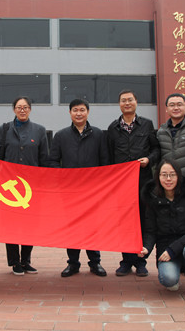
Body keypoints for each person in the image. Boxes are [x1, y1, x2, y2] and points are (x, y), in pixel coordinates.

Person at [48, 98, 109, 277]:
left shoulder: (98, 134)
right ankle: (73, 263)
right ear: (70, 113)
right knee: (72, 227)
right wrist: (65, 178)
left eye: (82, 110)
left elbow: (105, 162)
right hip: (70, 191)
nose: (79, 113)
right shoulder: (61, 136)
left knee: (92, 227)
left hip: (92, 191)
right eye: (75, 110)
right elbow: (53, 162)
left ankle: (95, 262)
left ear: (87, 112)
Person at [0, 96, 50, 275]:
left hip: (32, 186)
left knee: (30, 225)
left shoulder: (39, 130)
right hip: (10, 184)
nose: (22, 110)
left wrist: (45, 183)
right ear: (14, 109)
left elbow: (44, 159)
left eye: (25, 107)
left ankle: (26, 260)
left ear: (30, 109)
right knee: (10, 225)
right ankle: (14, 261)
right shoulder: (5, 129)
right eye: (19, 107)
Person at [107, 89, 160, 277]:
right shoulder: (113, 128)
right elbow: (109, 157)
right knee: (124, 222)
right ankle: (126, 261)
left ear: (136, 102)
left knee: (143, 220)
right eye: (123, 100)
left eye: (130, 100)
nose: (127, 103)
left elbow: (156, 149)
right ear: (119, 104)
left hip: (143, 182)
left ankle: (140, 261)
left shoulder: (147, 124)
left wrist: (149, 160)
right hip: (121, 185)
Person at [139, 159, 185, 297]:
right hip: (166, 249)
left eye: (172, 174)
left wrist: (172, 250)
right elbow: (151, 231)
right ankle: (174, 274)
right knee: (169, 280)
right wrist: (146, 248)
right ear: (158, 177)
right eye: (164, 175)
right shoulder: (153, 201)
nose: (168, 179)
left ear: (179, 176)